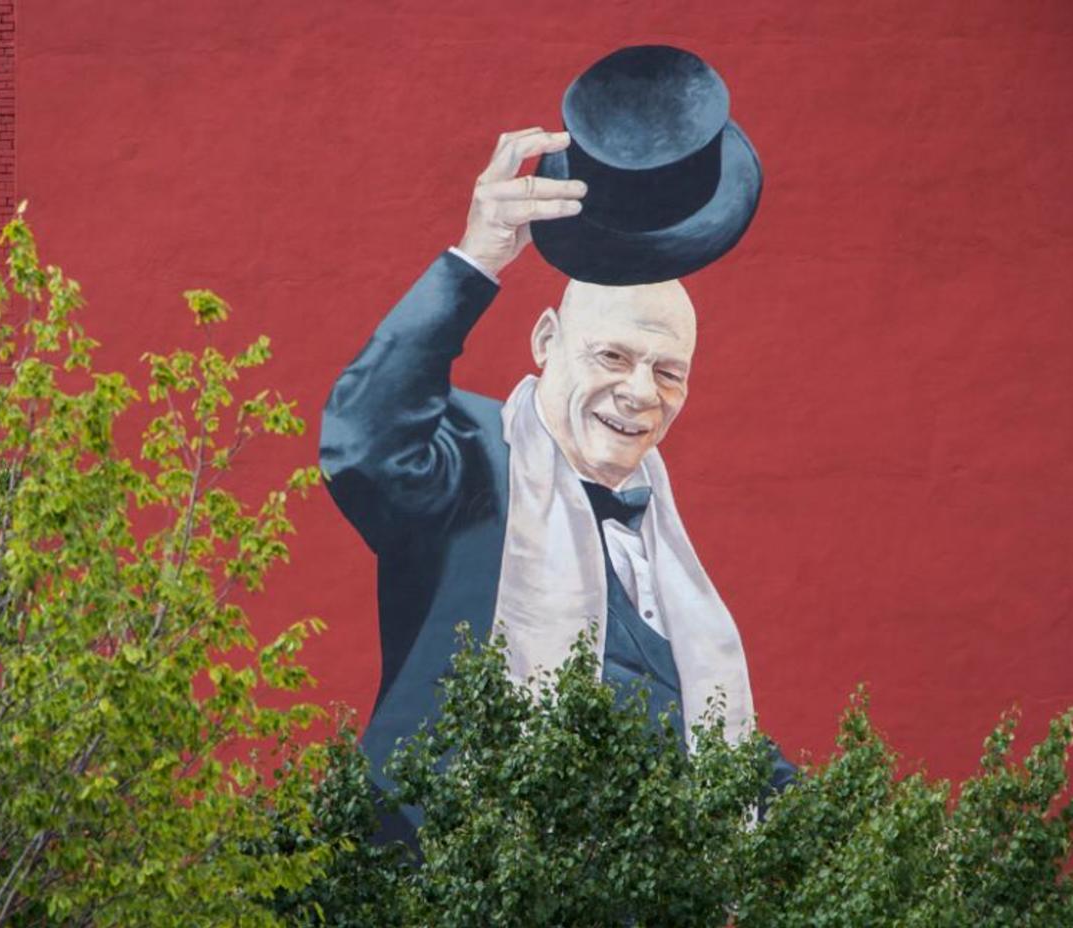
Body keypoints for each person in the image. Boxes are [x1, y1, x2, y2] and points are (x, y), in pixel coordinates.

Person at [320, 47, 796, 843]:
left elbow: (713, 735)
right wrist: (477, 258)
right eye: (612, 357)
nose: (640, 393)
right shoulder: (470, 461)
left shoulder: (663, 550)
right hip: (446, 877)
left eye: (668, 373)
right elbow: (362, 442)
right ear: (546, 340)